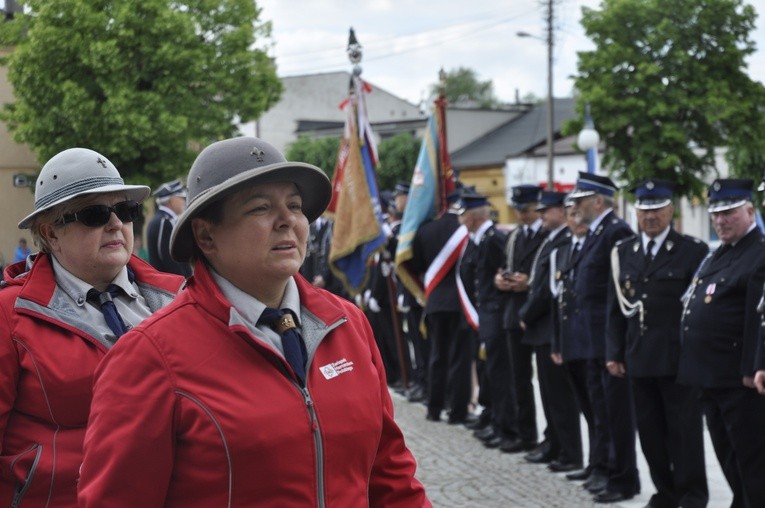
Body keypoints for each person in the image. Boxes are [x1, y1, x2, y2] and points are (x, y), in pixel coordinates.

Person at [78, 136, 431, 507]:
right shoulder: (149, 355)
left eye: (294, 205)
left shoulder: (347, 324)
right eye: (260, 208)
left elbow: (390, 474)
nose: (288, 221)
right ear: (206, 235)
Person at [0, 147, 185, 508]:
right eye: (95, 214)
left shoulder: (178, 297)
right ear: (50, 233)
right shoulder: (10, 315)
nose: (116, 223)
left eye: (126, 211)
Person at [607, 179, 709, 508]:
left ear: (670, 210)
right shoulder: (624, 253)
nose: (650, 217)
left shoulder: (692, 251)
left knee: (685, 433)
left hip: (678, 360)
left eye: (657, 209)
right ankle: (665, 492)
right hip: (638, 358)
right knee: (650, 434)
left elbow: (698, 310)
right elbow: (615, 309)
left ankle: (692, 495)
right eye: (644, 210)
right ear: (635, 212)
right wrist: (614, 352)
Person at [677, 178, 765, 508]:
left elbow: (758, 320)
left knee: (753, 461)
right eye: (715, 213)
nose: (720, 220)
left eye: (728, 212)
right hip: (710, 377)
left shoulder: (758, 254)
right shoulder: (718, 255)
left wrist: (752, 368)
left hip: (738, 380)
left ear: (750, 211)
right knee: (729, 458)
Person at [569, 171, 639, 504]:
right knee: (600, 410)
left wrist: (617, 346)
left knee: (617, 414)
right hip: (591, 340)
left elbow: (619, 294)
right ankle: (604, 467)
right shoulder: (597, 233)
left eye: (580, 201)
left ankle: (622, 477)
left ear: (598, 201)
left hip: (609, 341)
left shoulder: (616, 231)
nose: (575, 207)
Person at [518, 191, 583, 473]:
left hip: (548, 327)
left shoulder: (565, 240)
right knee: (548, 394)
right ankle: (554, 442)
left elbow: (547, 290)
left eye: (547, 210)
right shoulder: (551, 240)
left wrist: (525, 314)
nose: (541, 214)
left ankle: (570, 452)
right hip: (542, 330)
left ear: (561, 211)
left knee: (560, 396)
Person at [459, 191, 522, 450]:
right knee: (490, 372)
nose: (460, 219)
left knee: (500, 374)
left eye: (463, 214)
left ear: (473, 217)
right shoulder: (479, 239)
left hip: (495, 315)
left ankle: (507, 427)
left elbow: (500, 277)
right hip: (485, 316)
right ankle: (496, 421)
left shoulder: (493, 239)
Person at [410, 186, 473, 423]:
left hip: (435, 300)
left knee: (437, 355)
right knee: (460, 358)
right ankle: (458, 411)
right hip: (460, 301)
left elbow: (415, 265)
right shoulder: (464, 229)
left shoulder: (425, 230)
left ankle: (434, 408)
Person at [494, 184, 547, 456]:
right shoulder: (514, 236)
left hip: (539, 315)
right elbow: (504, 265)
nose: (521, 215)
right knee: (519, 379)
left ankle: (553, 439)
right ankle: (525, 434)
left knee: (549, 386)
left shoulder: (547, 234)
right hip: (514, 313)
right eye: (518, 210)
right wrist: (500, 279)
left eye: (525, 210)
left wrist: (530, 283)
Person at [146, 178, 192, 276]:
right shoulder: (164, 221)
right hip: (171, 285)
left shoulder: (161, 219)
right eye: (181, 198)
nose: (184, 201)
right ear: (172, 200)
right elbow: (168, 258)